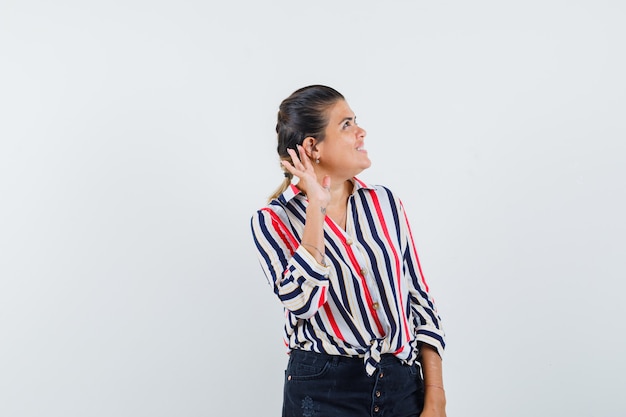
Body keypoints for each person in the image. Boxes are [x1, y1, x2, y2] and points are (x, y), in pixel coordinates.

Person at [250, 85, 446, 417]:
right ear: (312, 146)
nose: (361, 132)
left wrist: (435, 396)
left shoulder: (385, 203)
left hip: (402, 386)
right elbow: (303, 302)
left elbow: (419, 298)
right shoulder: (272, 221)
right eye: (346, 124)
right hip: (322, 391)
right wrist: (316, 210)